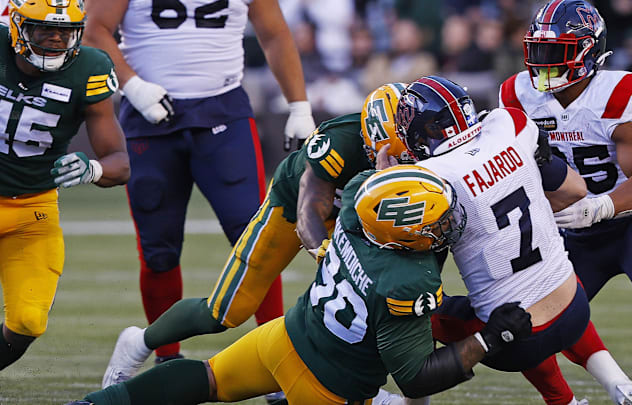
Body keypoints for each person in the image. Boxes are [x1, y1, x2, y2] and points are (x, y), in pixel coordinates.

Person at [66, 165, 533, 405]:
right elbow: (415, 376)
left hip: (285, 336)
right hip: (327, 389)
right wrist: (488, 341)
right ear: (405, 235)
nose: (449, 223)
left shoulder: (356, 206)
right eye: (439, 221)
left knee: (206, 379)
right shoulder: (408, 279)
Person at [99, 84, 415, 391]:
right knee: (225, 311)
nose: (418, 151)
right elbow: (308, 214)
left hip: (355, 216)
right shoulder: (339, 142)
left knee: (376, 300)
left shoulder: (421, 147)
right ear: (375, 140)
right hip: (296, 209)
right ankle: (139, 342)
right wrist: (329, 256)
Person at [500, 0, 632, 395]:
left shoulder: (619, 92)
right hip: (572, 234)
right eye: (538, 51)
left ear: (587, 52)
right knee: (548, 323)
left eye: (556, 53)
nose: (543, 64)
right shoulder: (516, 95)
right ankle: (601, 392)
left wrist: (601, 206)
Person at [83, 0, 317, 369]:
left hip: (223, 114)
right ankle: (167, 359)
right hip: (150, 117)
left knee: (259, 241)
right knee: (158, 250)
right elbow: (94, 29)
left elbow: (273, 33)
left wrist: (299, 106)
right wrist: (135, 86)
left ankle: (279, 362)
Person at [394, 75, 632, 405]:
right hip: (576, 307)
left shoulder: (428, 178)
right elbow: (575, 190)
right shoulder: (509, 124)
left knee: (415, 311)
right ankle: (613, 382)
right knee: (539, 280)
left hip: (514, 342)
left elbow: (413, 256)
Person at [0, 0, 129, 370]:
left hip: (31, 210)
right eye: (44, 29)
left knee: (27, 321)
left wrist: (92, 170)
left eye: (65, 31)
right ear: (16, 26)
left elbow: (120, 163)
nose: (56, 40)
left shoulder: (89, 67)